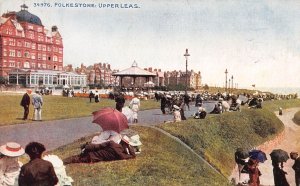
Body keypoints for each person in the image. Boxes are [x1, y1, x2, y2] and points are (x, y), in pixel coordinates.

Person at [63, 135, 136, 164]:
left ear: (120, 141)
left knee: (74, 158)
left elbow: (98, 146)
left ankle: (61, 162)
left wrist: (87, 146)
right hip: (92, 158)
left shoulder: (111, 143)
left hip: (91, 152)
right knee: (75, 159)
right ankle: (60, 163)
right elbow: (133, 156)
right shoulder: (121, 154)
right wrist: (129, 147)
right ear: (125, 145)